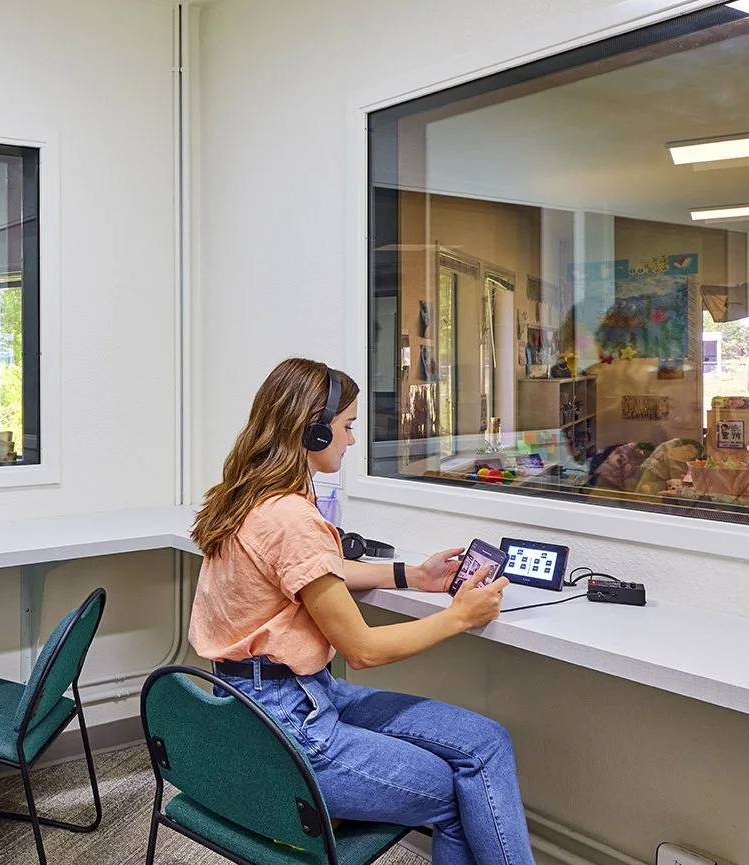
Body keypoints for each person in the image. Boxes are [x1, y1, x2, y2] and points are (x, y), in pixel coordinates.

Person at [189, 357, 534, 865]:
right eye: (347, 426)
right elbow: (364, 650)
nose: (352, 440)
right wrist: (461, 615)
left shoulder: (248, 497)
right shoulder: (290, 518)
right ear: (312, 430)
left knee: (486, 741)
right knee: (456, 793)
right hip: (289, 716)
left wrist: (413, 575)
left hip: (276, 695)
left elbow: (317, 572)